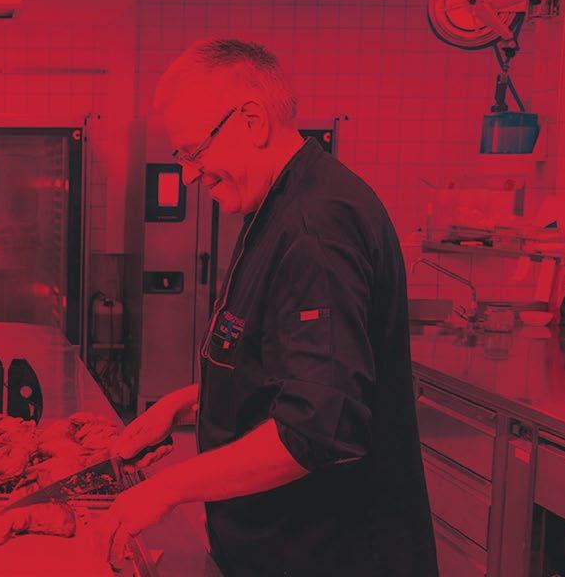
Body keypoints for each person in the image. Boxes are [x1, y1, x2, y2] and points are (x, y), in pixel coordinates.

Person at [94, 38, 438, 576]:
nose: (188, 175)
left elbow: (315, 429)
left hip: (329, 557)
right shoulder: (278, 206)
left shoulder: (316, 227)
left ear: (252, 121)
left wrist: (169, 488)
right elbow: (279, 371)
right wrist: (180, 407)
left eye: (193, 151)